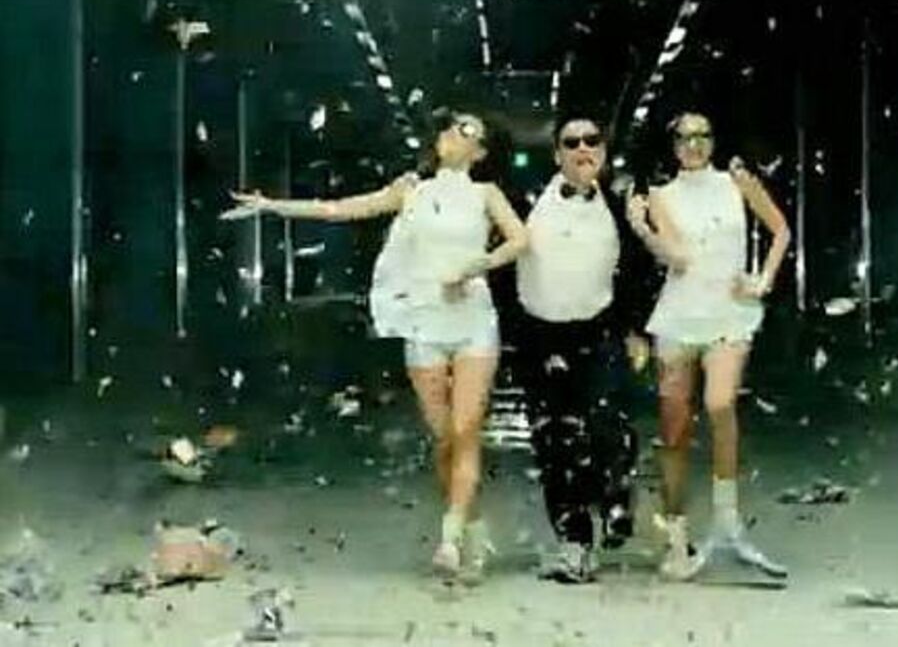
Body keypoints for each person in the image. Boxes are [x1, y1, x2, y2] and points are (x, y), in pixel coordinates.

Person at [222, 112, 529, 583]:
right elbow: (341, 208)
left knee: (466, 428)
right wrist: (272, 206)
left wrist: (475, 266)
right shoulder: (410, 189)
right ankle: (472, 526)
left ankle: (449, 538)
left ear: (482, 151)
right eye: (449, 127)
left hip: (473, 320)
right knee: (444, 437)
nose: (452, 134)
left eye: (467, 131)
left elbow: (520, 240)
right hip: (422, 320)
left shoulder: (486, 194)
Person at [626, 112, 792, 581]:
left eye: (702, 136)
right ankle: (676, 536)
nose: (694, 145)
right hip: (680, 315)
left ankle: (727, 523)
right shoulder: (662, 195)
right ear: (672, 145)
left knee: (720, 403)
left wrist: (763, 279)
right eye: (684, 138)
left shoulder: (736, 181)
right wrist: (642, 228)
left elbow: (780, 230)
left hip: (729, 312)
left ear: (715, 141)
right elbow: (678, 259)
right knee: (674, 427)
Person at [515, 115, 653, 583]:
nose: (582, 149)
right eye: (571, 142)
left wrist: (636, 329)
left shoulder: (619, 203)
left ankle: (616, 499)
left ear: (603, 152)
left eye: (591, 141)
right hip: (540, 335)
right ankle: (574, 544)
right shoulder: (526, 200)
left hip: (600, 330)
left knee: (606, 422)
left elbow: (636, 268)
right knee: (554, 442)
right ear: (557, 153)